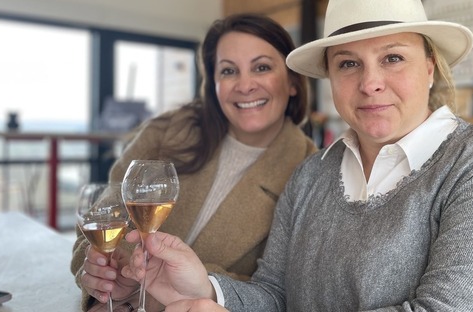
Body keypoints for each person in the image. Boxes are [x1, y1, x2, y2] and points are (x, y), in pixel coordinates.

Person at [122, 0, 473, 310]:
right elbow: (275, 296)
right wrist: (207, 288)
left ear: (429, 68)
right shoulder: (313, 173)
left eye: (392, 57)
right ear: (330, 77)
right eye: (348, 63)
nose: (370, 82)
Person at [70, 13, 317, 311]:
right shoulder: (166, 131)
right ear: (213, 83)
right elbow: (99, 221)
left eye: (261, 67)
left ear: (292, 82)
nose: (245, 84)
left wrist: (182, 287)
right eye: (228, 71)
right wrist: (104, 277)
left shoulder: (310, 171)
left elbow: (280, 290)